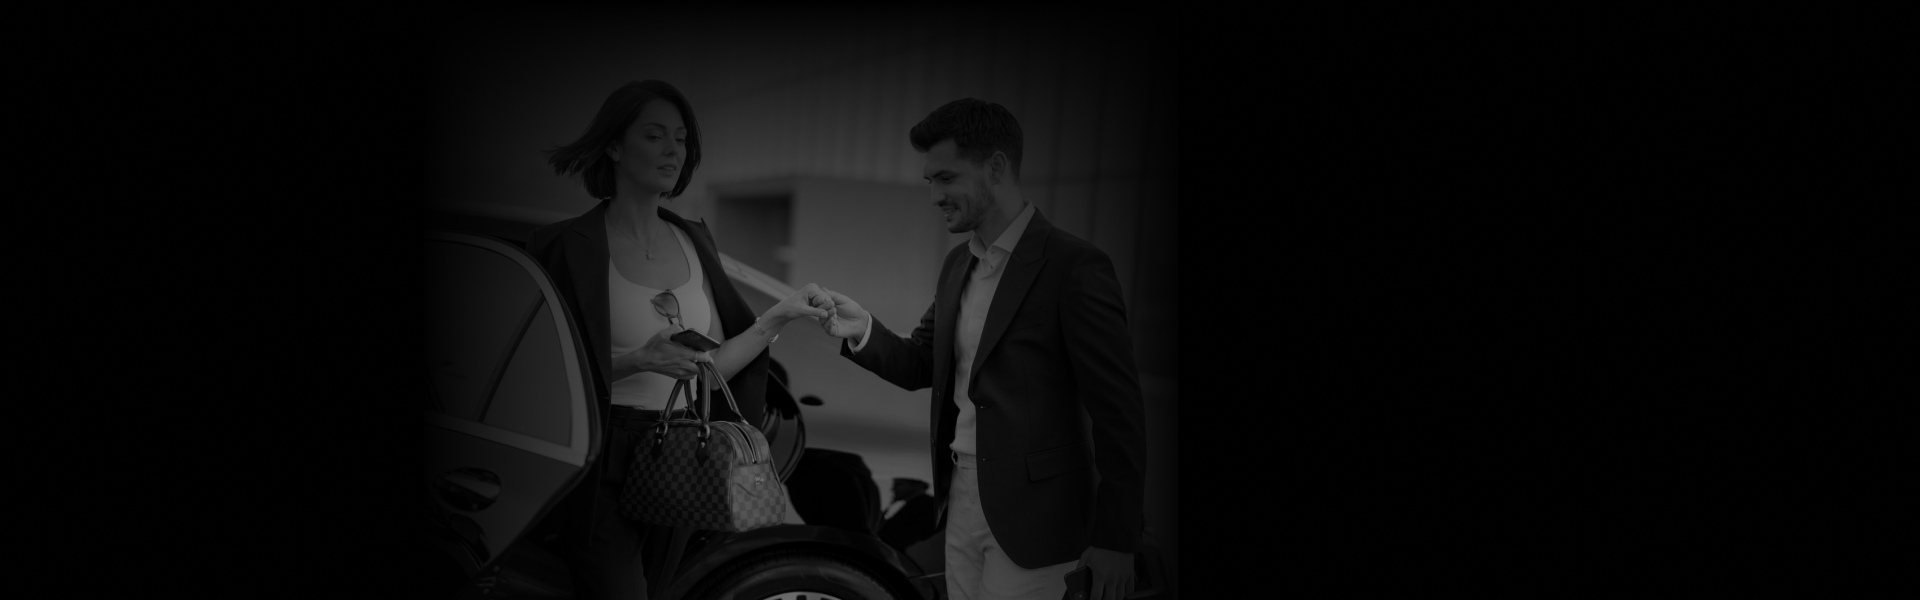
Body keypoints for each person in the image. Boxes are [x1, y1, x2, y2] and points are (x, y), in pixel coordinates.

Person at [813, 98, 1148, 600]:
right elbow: (922, 362)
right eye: (930, 181)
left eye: (945, 178)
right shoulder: (957, 265)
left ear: (995, 167)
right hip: (961, 503)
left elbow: (1119, 413)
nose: (934, 196)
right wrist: (863, 330)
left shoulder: (1074, 267)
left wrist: (1117, 538)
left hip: (1040, 519)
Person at [526, 80, 832, 600]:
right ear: (615, 146)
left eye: (682, 139)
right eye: (654, 135)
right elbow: (537, 370)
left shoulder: (695, 239)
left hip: (684, 447)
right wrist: (637, 359)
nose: (672, 150)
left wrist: (775, 318)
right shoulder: (562, 246)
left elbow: (711, 369)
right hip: (597, 448)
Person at [878, 478, 940, 552]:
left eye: (898, 484)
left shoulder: (927, 506)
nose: (893, 489)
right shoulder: (918, 504)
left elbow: (894, 538)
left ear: (918, 485)